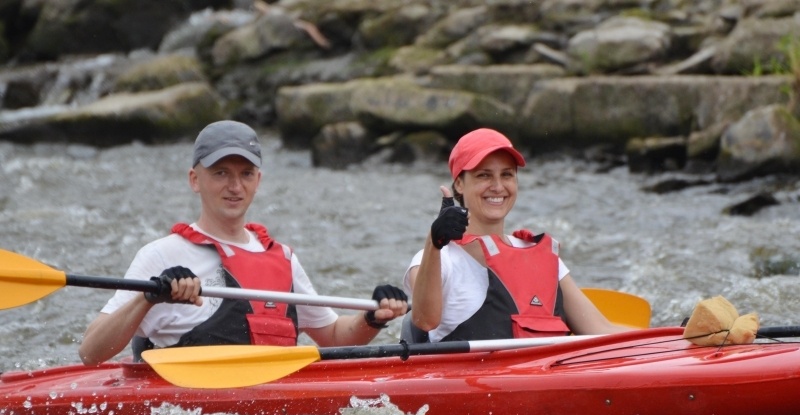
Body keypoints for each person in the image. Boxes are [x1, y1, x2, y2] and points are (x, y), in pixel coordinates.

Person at [79, 120, 407, 366]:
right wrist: (147, 299)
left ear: (258, 181)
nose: (235, 186)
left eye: (246, 174)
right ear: (195, 180)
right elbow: (91, 352)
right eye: (221, 173)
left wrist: (373, 317)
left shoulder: (283, 258)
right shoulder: (161, 255)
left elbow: (335, 337)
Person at [403, 128, 631, 343]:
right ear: (459, 184)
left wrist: (655, 338)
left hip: (545, 370)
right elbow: (424, 320)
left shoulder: (541, 256)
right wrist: (434, 241)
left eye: (507, 175)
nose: (498, 186)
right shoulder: (436, 257)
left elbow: (600, 330)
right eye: (484, 175)